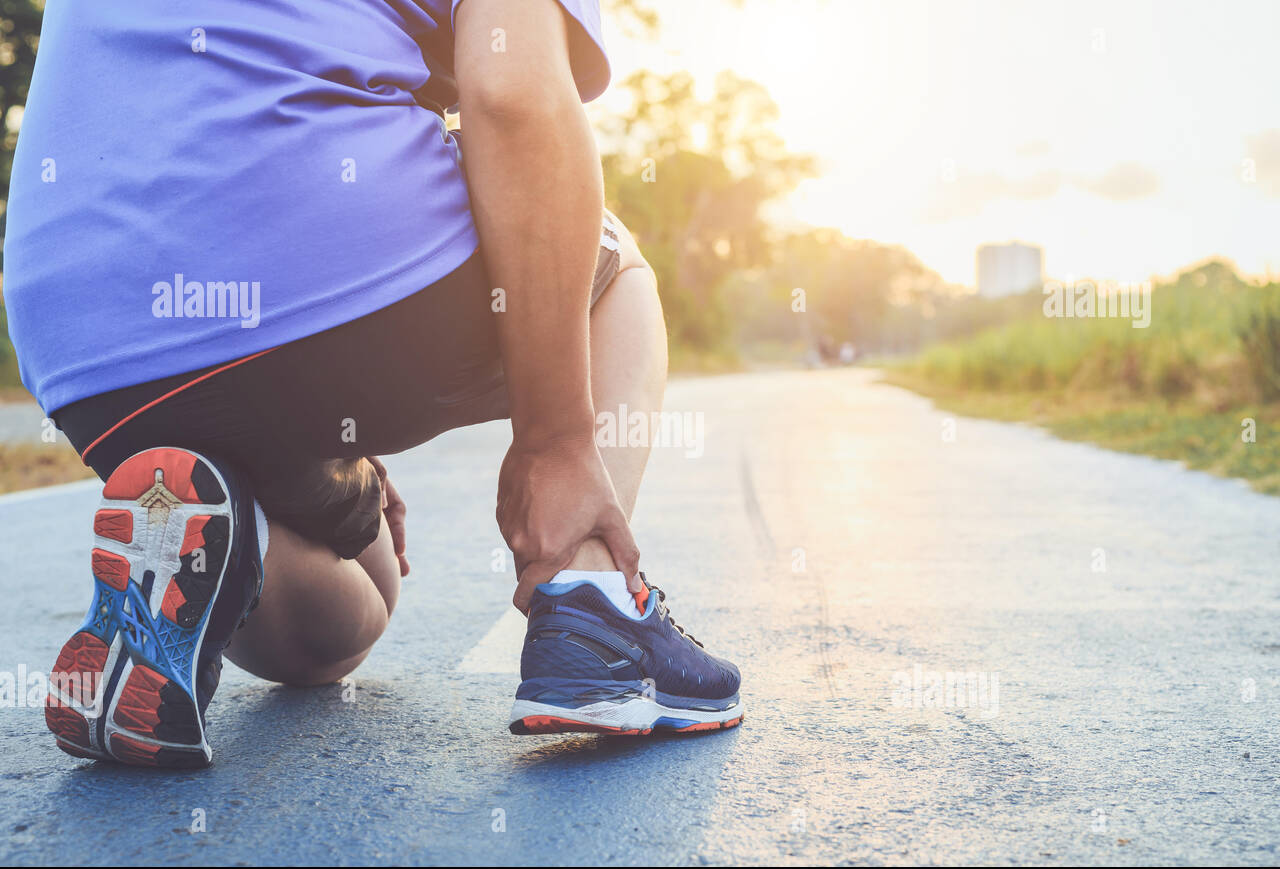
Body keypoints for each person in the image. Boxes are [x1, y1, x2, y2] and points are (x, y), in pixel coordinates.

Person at [2, 0, 742, 768]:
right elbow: (517, 99)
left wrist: (326, 419)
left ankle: (228, 540)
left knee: (354, 617)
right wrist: (555, 441)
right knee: (616, 266)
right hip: (301, 269)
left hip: (85, 349)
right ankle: (591, 604)